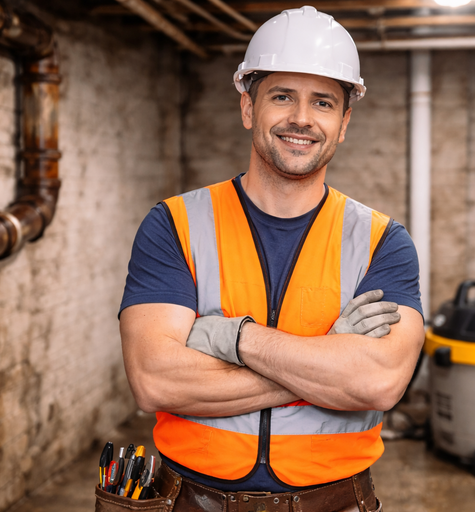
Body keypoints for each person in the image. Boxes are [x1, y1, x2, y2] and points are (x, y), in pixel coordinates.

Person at [119, 6, 425, 511]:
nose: (301, 118)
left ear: (343, 122)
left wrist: (229, 337)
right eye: (282, 96)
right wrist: (325, 364)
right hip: (190, 500)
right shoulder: (174, 223)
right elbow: (154, 379)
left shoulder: (382, 241)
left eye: (323, 102)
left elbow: (379, 382)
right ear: (247, 109)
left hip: (336, 502)